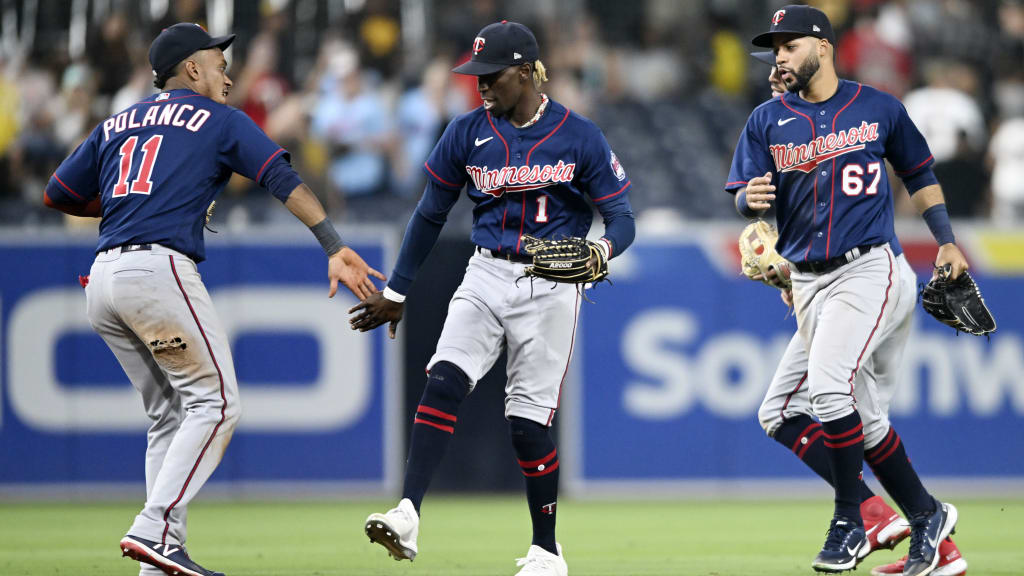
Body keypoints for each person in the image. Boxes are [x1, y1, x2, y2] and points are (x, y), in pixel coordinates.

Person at [42, 23, 384, 576]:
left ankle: (157, 562)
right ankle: (153, 528)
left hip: (104, 279)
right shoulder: (220, 118)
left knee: (168, 415)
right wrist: (334, 244)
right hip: (156, 271)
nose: (228, 71)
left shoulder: (117, 121)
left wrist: (135, 207)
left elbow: (57, 192)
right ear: (192, 69)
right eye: (218, 61)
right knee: (218, 403)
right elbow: (279, 176)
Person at [350, 20, 635, 576]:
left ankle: (547, 550)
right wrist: (397, 290)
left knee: (527, 424)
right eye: (475, 74)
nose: (481, 85)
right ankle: (408, 513)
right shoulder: (466, 131)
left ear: (526, 71)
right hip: (484, 270)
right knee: (444, 377)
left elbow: (622, 218)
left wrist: (601, 252)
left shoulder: (580, 135)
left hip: (551, 283)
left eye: (492, 74)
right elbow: (430, 213)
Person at [727, 6, 965, 575]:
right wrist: (749, 201)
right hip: (808, 282)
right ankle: (930, 525)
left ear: (822, 46)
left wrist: (948, 241)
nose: (779, 56)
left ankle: (850, 519)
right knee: (784, 412)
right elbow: (744, 194)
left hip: (869, 270)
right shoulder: (766, 120)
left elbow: (920, 175)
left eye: (788, 46)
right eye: (775, 49)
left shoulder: (877, 107)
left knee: (832, 390)